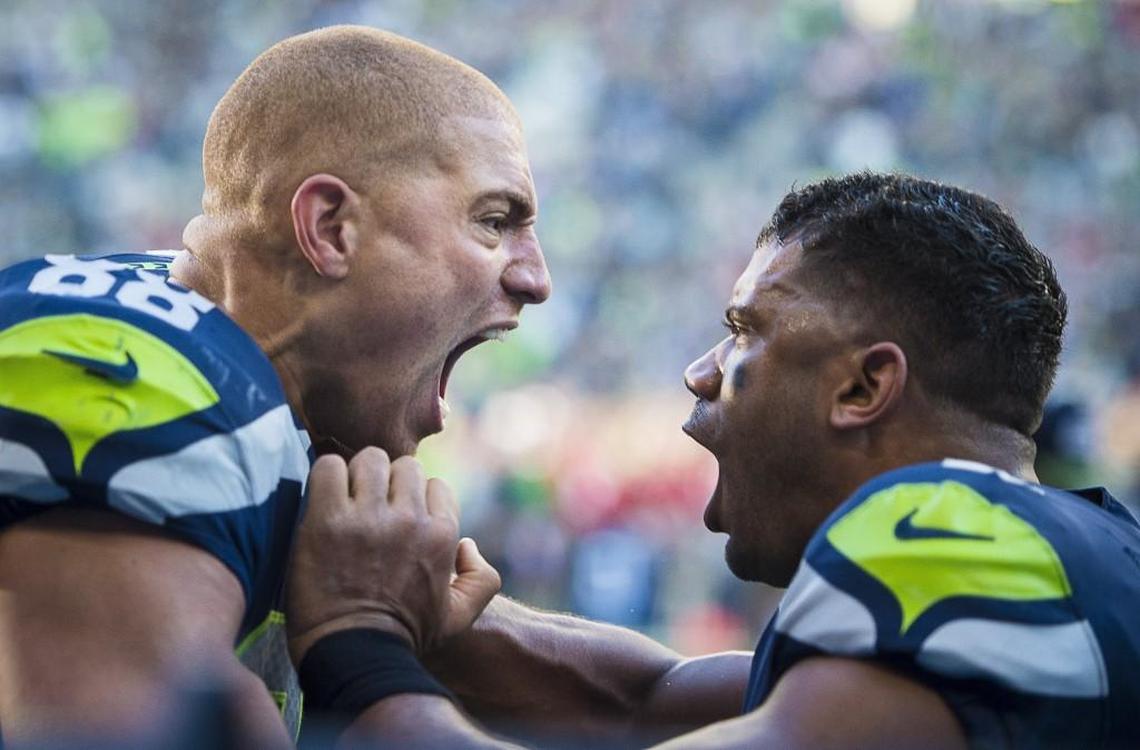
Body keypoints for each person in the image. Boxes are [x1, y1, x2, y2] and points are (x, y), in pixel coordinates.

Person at [285, 172, 1140, 749]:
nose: (699, 372)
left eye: (743, 331)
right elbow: (639, 702)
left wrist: (358, 642)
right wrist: (426, 612)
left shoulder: (953, 531)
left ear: (865, 384)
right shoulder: (1074, 548)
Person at [0, 25, 549, 745]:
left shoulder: (266, 394)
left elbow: (637, 696)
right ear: (330, 228)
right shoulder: (132, 372)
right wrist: (361, 654)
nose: (534, 278)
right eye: (494, 221)